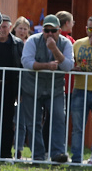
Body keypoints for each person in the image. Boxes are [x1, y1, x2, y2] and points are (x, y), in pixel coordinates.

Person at [19, 14, 74, 162]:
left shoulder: (66, 43)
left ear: (59, 31)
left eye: (53, 30)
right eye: (46, 30)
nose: (49, 33)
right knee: (33, 122)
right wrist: (46, 66)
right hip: (32, 87)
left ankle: (57, 153)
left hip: (55, 89)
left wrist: (55, 49)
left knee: (58, 118)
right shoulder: (32, 41)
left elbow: (68, 66)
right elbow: (26, 62)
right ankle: (37, 155)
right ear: (42, 30)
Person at [0, 14, 24, 158]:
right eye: (0, 27)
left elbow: (21, 66)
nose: (2, 29)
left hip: (9, 88)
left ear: (10, 27)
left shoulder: (18, 43)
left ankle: (5, 154)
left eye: (5, 26)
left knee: (7, 122)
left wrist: (19, 91)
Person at [70, 16, 92, 165]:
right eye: (90, 29)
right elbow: (70, 63)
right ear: (86, 29)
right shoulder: (78, 44)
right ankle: (76, 158)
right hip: (80, 90)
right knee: (78, 127)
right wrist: (74, 68)